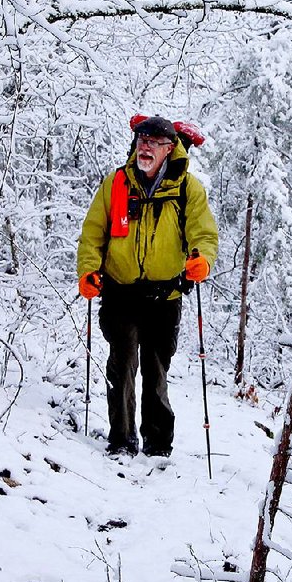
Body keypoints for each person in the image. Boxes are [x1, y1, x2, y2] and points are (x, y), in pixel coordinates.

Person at [77, 115, 218, 458]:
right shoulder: (116, 184)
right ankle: (122, 440)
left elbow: (203, 233)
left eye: (154, 143)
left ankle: (157, 445)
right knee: (122, 363)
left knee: (156, 370)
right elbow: (93, 233)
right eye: (142, 141)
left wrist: (202, 260)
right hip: (120, 292)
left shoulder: (187, 188)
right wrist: (88, 271)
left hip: (165, 295)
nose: (146, 147)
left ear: (170, 149)